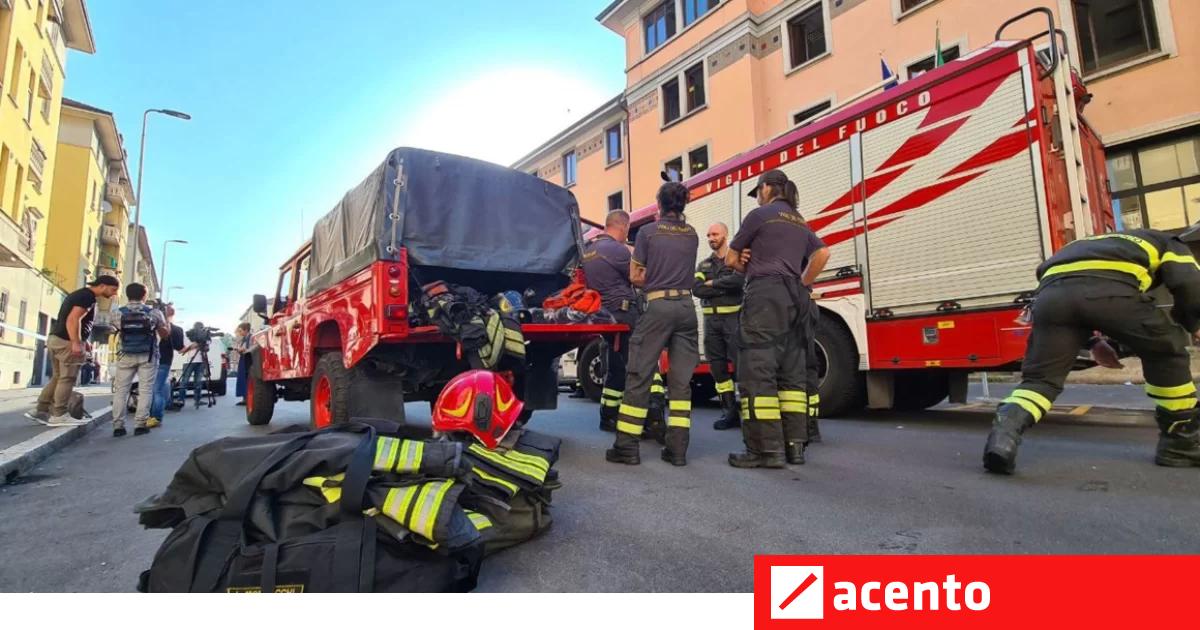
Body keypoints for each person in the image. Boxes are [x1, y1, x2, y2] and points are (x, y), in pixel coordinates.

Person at [983, 226, 1200, 473]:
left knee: (1040, 381)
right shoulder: (1169, 242)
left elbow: (1076, 291)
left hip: (1050, 297)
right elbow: (1190, 284)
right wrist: (1193, 323)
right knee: (1166, 352)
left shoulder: (1084, 245)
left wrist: (1093, 343)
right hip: (1110, 292)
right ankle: (1180, 444)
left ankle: (1004, 436)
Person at [725, 170, 830, 468]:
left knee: (758, 372)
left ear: (768, 188)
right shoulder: (799, 220)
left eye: (758, 190)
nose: (757, 196)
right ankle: (795, 447)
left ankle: (764, 450)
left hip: (765, 296)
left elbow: (730, 259)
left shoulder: (760, 215)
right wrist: (803, 283)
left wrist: (745, 260)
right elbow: (822, 254)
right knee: (792, 372)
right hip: (796, 299)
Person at [606, 182, 700, 466]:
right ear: (682, 205)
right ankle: (677, 450)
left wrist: (655, 279)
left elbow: (635, 276)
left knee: (639, 374)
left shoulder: (647, 232)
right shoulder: (692, 234)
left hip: (658, 307)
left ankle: (626, 447)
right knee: (681, 382)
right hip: (686, 307)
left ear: (659, 205)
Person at [26, 275, 120, 426]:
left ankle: (40, 410)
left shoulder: (79, 294)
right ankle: (59, 414)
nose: (114, 293)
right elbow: (73, 319)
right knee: (67, 378)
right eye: (113, 289)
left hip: (56, 338)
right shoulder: (87, 297)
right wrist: (76, 342)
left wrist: (84, 341)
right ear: (102, 285)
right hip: (67, 342)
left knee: (57, 377)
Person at [582, 210, 638, 432]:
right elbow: (637, 277)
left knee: (614, 367)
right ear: (623, 226)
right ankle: (644, 420)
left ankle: (607, 417)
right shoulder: (618, 250)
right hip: (624, 314)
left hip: (603, 316)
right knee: (638, 366)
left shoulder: (589, 250)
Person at [695, 222, 745, 430]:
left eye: (715, 234)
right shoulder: (703, 265)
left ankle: (748, 411)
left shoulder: (735, 260)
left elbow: (739, 282)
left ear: (725, 235)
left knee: (741, 367)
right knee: (718, 369)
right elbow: (696, 289)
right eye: (708, 235)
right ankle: (729, 411)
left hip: (733, 320)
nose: (711, 238)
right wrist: (722, 285)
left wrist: (712, 284)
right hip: (711, 324)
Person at [110, 283, 170, 437]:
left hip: (125, 354)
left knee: (121, 391)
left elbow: (115, 330)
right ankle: (140, 425)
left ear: (127, 295)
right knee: (145, 390)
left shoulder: (117, 313)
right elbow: (164, 334)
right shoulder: (154, 313)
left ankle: (118, 426)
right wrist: (164, 317)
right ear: (144, 295)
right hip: (148, 355)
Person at [149, 304, 185, 426]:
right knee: (158, 389)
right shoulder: (176, 330)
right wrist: (195, 345)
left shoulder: (149, 322)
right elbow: (180, 349)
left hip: (148, 359)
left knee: (151, 389)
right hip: (164, 361)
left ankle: (150, 414)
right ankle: (156, 416)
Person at [179, 323, 210, 409]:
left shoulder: (205, 336)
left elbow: (207, 349)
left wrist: (205, 343)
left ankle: (197, 400)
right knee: (184, 381)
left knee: (198, 382)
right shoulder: (189, 335)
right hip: (190, 360)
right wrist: (198, 343)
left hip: (201, 361)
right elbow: (187, 347)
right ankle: (181, 400)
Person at [233, 322, 252, 406]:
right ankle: (244, 397)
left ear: (246, 330)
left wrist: (243, 350)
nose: (240, 333)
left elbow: (251, 348)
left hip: (248, 359)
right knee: (242, 379)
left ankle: (248, 397)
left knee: (247, 379)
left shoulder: (251, 337)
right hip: (243, 359)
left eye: (241, 331)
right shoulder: (244, 339)